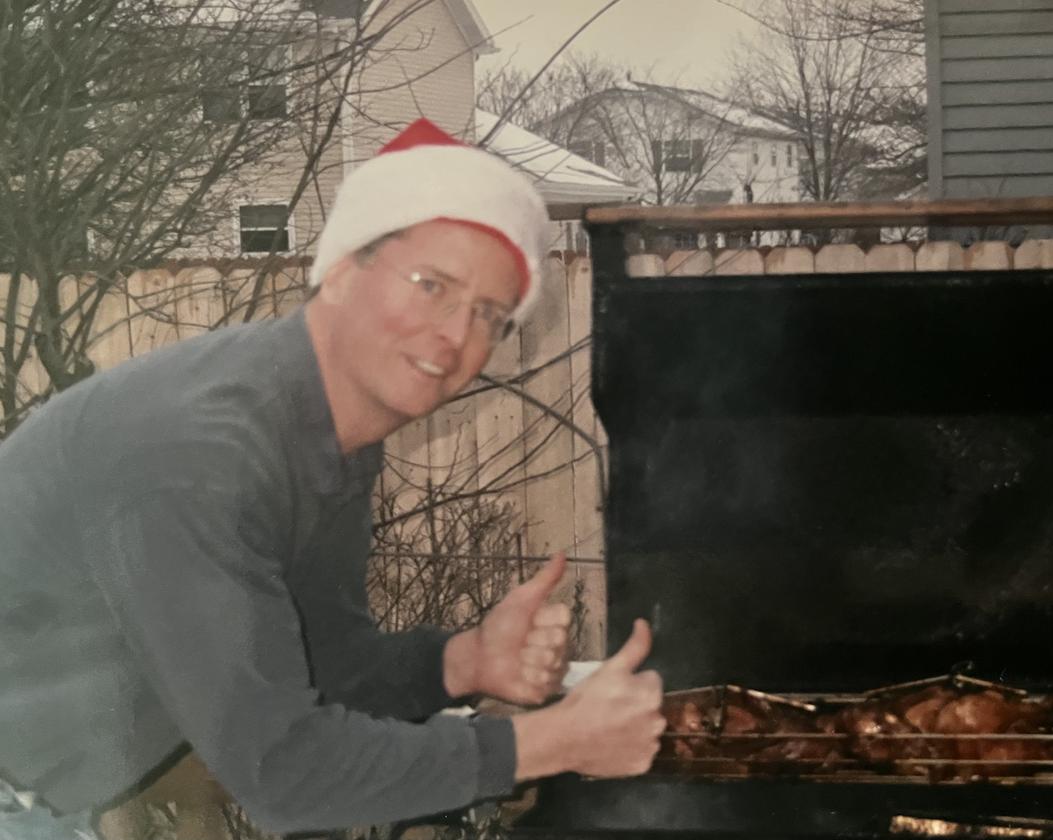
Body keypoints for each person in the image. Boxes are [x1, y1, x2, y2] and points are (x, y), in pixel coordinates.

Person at [0, 118, 665, 839]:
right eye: (431, 285)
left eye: (489, 315)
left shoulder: (323, 431)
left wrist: (462, 661)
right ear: (343, 270)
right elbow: (284, 773)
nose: (455, 334)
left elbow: (322, 668)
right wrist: (547, 743)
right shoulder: (203, 457)